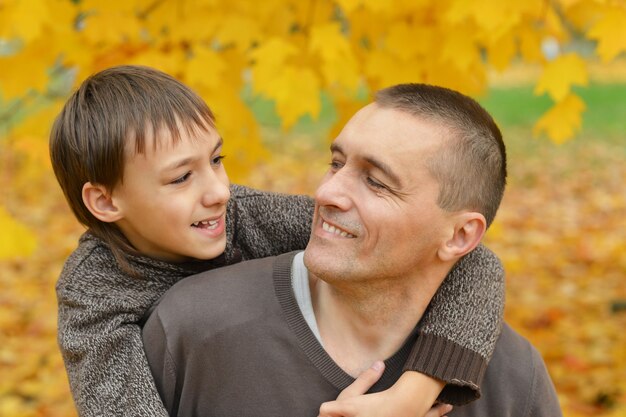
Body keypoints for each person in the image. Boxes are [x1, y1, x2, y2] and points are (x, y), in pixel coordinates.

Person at [50, 66, 505, 417]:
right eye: (182, 177)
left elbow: (473, 262)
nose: (218, 191)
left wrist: (414, 391)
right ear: (106, 202)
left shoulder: (239, 215)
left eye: (217, 160)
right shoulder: (94, 296)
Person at [142, 83, 563, 416]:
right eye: (336, 163)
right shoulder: (193, 329)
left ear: (459, 237)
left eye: (376, 182)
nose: (327, 193)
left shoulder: (513, 381)